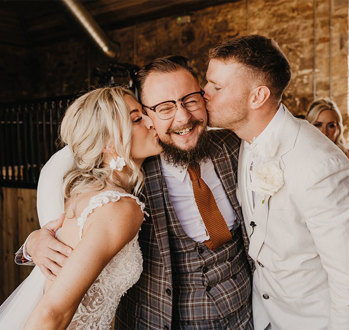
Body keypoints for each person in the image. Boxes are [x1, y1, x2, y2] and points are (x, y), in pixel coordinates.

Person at [15, 57, 253, 329]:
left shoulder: (234, 145)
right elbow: (62, 174)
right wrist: (34, 242)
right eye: (163, 108)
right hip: (153, 321)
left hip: (241, 314)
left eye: (190, 100)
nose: (183, 116)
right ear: (149, 112)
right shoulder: (132, 175)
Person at [204, 34, 349, 329]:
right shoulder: (244, 141)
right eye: (208, 82)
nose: (204, 92)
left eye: (217, 87)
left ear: (257, 96)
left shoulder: (320, 163)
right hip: (267, 317)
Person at [0, 86, 163, 328]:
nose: (151, 122)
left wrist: (34, 242)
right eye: (137, 119)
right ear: (107, 142)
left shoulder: (83, 193)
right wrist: (33, 242)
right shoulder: (119, 208)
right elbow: (52, 313)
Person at [306, 98, 349, 216]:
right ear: (309, 126)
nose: (324, 132)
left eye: (331, 125)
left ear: (339, 128)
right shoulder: (299, 157)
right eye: (318, 125)